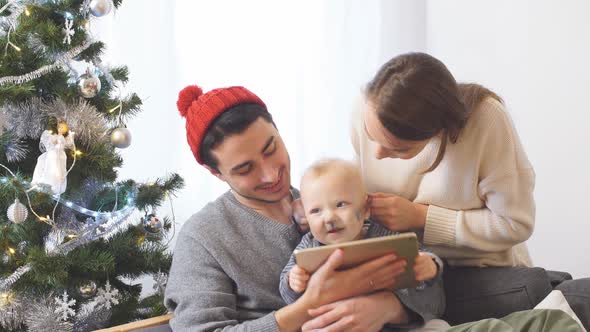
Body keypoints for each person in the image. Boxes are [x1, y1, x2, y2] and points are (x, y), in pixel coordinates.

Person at [350, 52, 590, 328]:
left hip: (477, 270)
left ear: (437, 132)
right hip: (410, 275)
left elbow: (515, 223)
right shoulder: (363, 109)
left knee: (540, 288)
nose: (377, 154)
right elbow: (347, 189)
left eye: (399, 149)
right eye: (371, 137)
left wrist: (421, 217)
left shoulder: (485, 120)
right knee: (551, 292)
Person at [165, 85, 410, 332]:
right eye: (245, 169)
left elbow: (426, 289)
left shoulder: (330, 204)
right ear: (216, 173)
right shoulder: (202, 237)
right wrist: (307, 307)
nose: (271, 175)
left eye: (271, 149)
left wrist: (388, 307)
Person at [279, 158, 446, 329]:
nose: (329, 218)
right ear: (305, 216)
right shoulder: (308, 245)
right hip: (336, 325)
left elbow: (419, 256)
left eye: (340, 204)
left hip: (393, 325)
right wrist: (292, 281)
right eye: (315, 211)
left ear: (366, 209)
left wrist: (430, 266)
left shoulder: (383, 235)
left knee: (437, 326)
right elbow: (288, 295)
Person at [31, 118, 75, 195]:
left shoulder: (64, 138)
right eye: (59, 127)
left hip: (61, 155)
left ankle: (56, 184)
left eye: (63, 128)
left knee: (59, 169)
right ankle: (46, 181)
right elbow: (52, 141)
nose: (60, 129)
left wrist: (70, 137)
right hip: (53, 153)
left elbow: (69, 143)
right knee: (50, 166)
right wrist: (55, 141)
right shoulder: (55, 136)